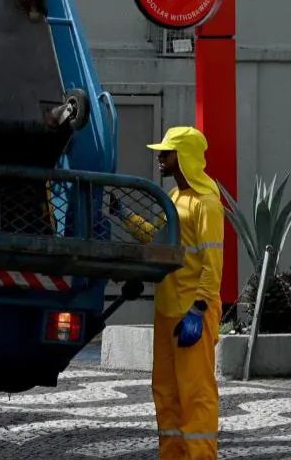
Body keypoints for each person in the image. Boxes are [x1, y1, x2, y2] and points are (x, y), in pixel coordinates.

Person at [115, 126, 223, 460]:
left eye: (167, 153)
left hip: (192, 313)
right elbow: (160, 242)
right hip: (167, 311)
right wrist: (125, 216)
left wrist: (199, 309)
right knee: (165, 390)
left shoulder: (207, 204)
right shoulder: (175, 199)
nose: (160, 158)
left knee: (196, 392)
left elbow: (213, 264)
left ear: (184, 156)